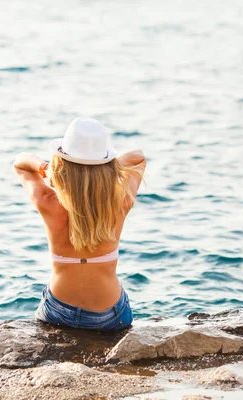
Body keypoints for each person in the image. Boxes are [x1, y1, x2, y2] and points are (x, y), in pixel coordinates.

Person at [13, 117, 146, 331]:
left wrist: (47, 169)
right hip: (110, 315)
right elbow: (138, 157)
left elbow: (20, 162)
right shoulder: (121, 202)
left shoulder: (47, 202)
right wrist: (105, 172)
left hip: (58, 311)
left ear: (62, 163)